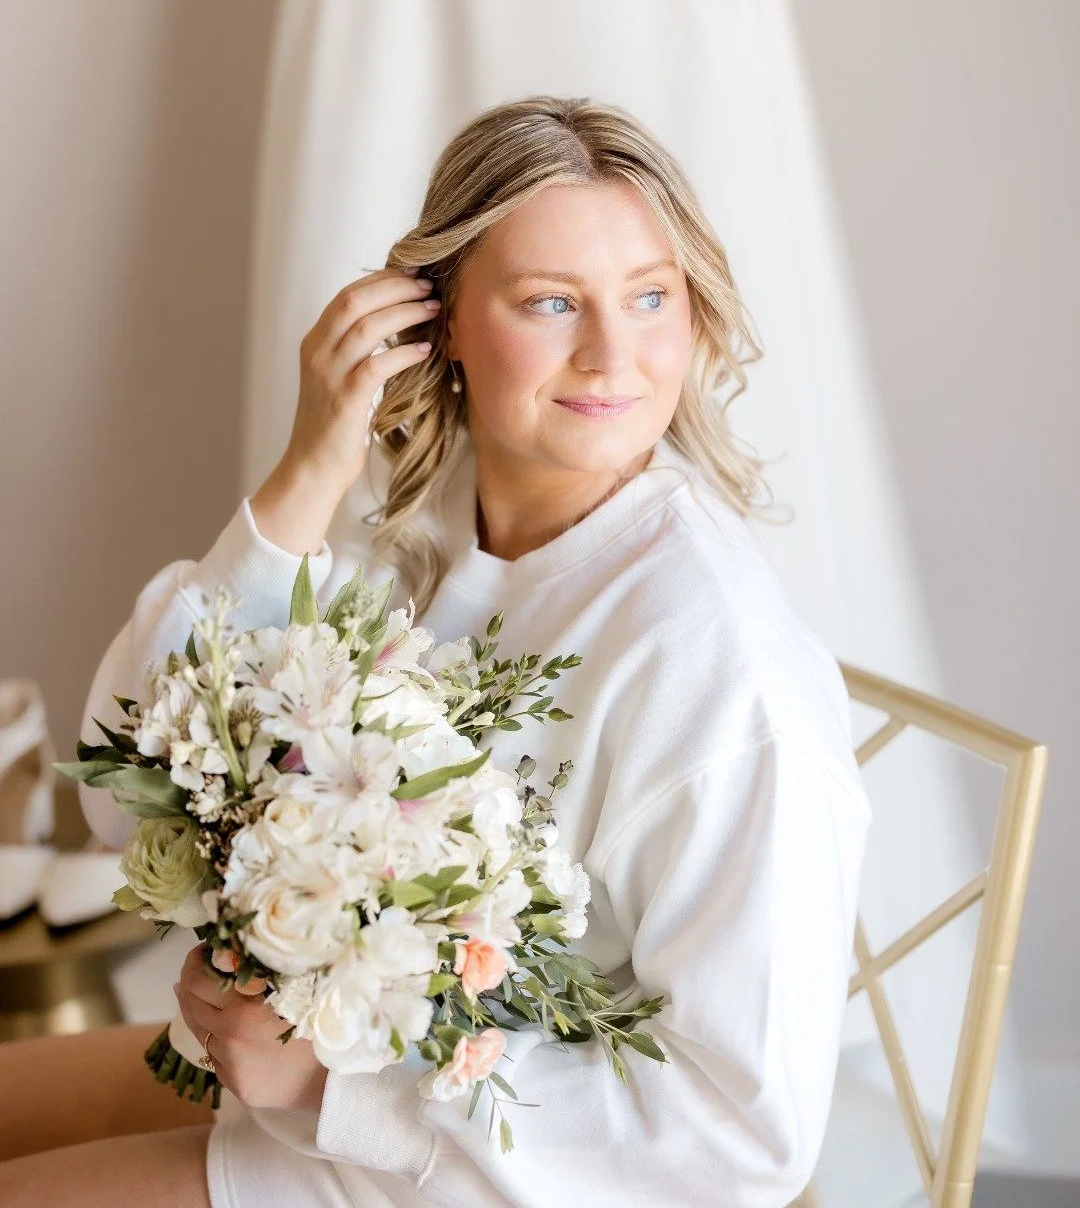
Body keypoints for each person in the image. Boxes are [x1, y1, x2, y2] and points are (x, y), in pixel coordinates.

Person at [0, 97, 871, 1207]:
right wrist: (315, 458)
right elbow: (130, 782)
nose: (612, 353)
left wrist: (337, 1092)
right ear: (439, 319)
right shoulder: (421, 531)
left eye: (651, 297)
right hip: (289, 1090)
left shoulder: (719, 673)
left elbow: (739, 1140)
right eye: (553, 302)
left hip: (447, 1172)